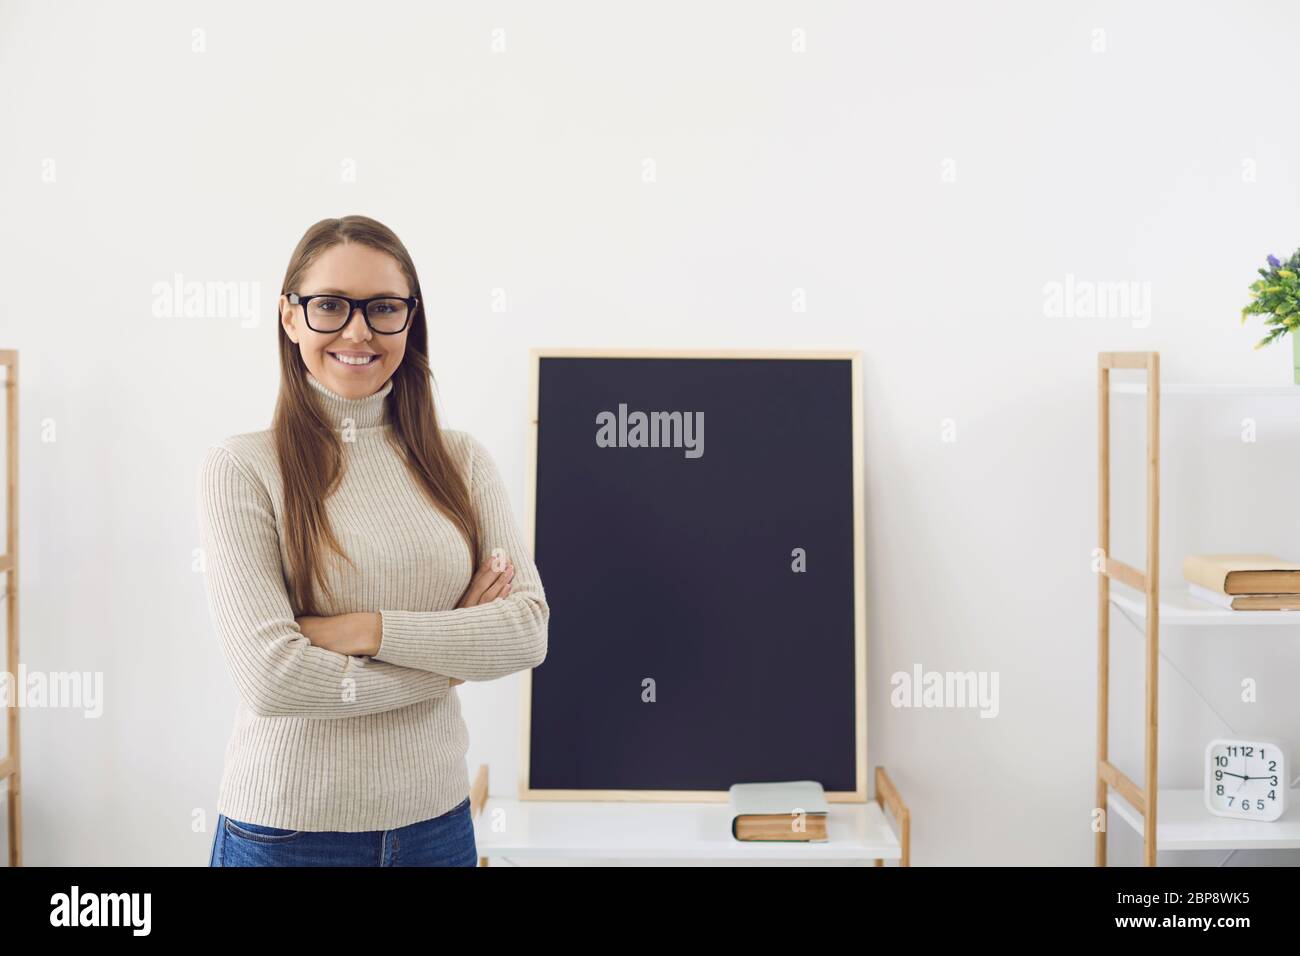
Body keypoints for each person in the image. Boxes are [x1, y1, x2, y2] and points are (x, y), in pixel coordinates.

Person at [198, 214, 548, 866]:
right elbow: (273, 680)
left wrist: (365, 630)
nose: (357, 331)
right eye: (330, 305)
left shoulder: (461, 461)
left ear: (410, 320)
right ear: (289, 316)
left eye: (383, 308)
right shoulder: (244, 466)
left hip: (437, 826)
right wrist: (448, 663)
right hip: (287, 834)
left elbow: (526, 629)